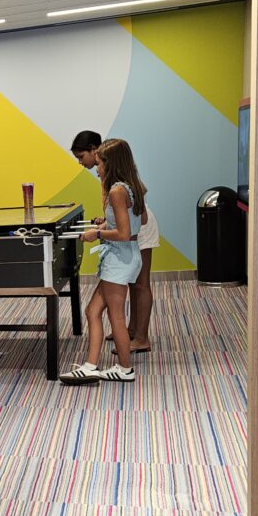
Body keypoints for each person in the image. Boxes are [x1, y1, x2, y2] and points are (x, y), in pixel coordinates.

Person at [60, 138, 144, 384]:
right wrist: (107, 223)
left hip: (119, 258)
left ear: (111, 163)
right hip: (125, 255)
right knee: (92, 311)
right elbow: (140, 222)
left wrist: (96, 234)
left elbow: (124, 233)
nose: (96, 169)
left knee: (115, 316)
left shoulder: (117, 191)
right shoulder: (133, 187)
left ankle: (125, 368)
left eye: (99, 164)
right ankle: (90, 365)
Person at [71, 130, 157, 353]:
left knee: (140, 283)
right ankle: (129, 331)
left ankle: (141, 337)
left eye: (82, 157)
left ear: (94, 151)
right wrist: (107, 222)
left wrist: (99, 233)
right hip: (130, 227)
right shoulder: (118, 178)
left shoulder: (116, 184)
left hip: (139, 229)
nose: (83, 163)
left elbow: (127, 228)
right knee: (130, 282)